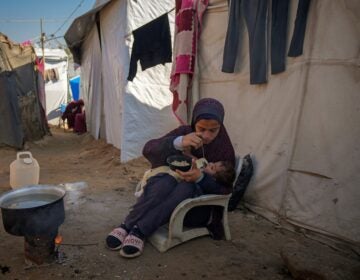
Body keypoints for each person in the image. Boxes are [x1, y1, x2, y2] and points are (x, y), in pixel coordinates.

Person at [106, 98, 235, 258]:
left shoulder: (224, 149)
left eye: (213, 130)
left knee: (185, 187)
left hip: (196, 209)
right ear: (194, 122)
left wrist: (201, 178)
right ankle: (127, 226)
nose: (207, 136)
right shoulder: (185, 132)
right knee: (164, 182)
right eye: (201, 129)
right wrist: (178, 142)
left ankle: (140, 231)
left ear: (220, 126)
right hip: (170, 190)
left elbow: (226, 190)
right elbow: (148, 149)